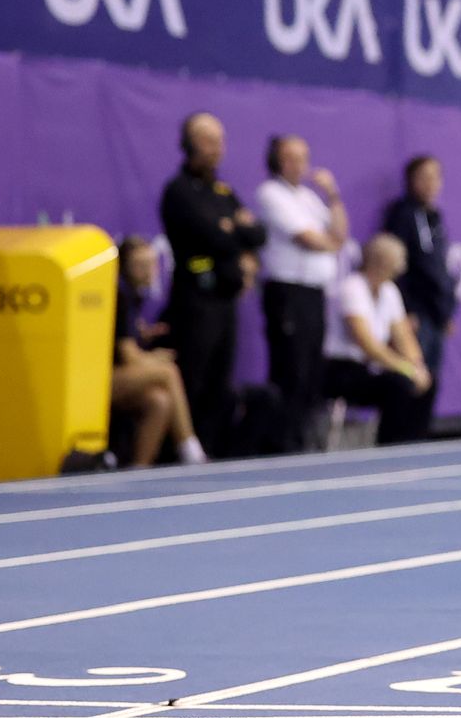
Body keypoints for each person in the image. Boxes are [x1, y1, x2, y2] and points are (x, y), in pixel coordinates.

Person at [159, 113, 266, 449]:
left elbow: (257, 233)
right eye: (208, 140)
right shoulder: (179, 191)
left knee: (221, 379)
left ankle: (210, 448)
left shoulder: (222, 190)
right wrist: (233, 230)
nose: (217, 148)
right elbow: (209, 236)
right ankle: (175, 452)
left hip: (225, 299)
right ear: (189, 143)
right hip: (195, 299)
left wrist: (231, 227)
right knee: (194, 375)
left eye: (220, 140)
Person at [254, 135, 349, 450]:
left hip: (314, 294)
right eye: (290, 157)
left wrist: (333, 195)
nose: (298, 164)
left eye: (303, 157)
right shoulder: (271, 193)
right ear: (277, 161)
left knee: (311, 369)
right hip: (287, 293)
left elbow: (339, 234)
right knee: (290, 368)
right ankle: (282, 442)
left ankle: (302, 439)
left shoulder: (309, 198)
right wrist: (331, 243)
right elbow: (309, 239)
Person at [322, 233, 435, 445]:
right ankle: (390, 447)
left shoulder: (390, 291)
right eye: (395, 263)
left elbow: (403, 336)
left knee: (428, 382)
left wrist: (418, 366)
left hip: (371, 368)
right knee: (398, 385)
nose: (399, 268)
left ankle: (414, 444)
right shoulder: (352, 288)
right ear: (380, 262)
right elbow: (366, 344)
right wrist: (407, 369)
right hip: (341, 370)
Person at [110, 235, 207, 468]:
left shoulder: (135, 298)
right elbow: (129, 357)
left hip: (119, 376)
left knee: (159, 400)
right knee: (167, 372)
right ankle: (190, 448)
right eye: (139, 265)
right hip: (99, 383)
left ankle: (140, 468)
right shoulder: (119, 297)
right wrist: (156, 357)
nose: (148, 271)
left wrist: (142, 335)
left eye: (151, 264)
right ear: (124, 268)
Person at [380, 154, 459, 409]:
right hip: (416, 313)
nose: (431, 183)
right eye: (424, 177)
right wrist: (406, 310)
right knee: (413, 375)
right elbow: (395, 266)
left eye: (436, 177)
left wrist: (446, 312)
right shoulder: (403, 214)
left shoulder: (436, 217)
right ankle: (403, 440)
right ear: (411, 181)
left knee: (431, 377)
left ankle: (421, 435)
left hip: (436, 314)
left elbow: (439, 267)